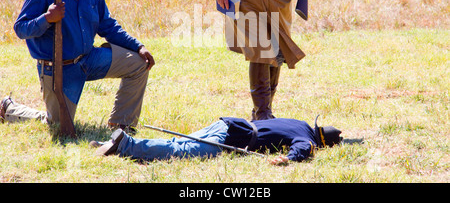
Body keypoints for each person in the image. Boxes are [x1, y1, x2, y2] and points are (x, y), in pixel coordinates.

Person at [1, 0, 155, 133]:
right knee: (58, 126)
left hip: (89, 59)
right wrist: (47, 18)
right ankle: (9, 109)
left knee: (138, 63)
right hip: (59, 70)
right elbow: (21, 29)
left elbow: (108, 26)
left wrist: (139, 47)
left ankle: (121, 125)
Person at [91, 115, 341, 165]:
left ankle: (108, 142)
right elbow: (304, 148)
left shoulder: (299, 123)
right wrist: (288, 158)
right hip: (234, 137)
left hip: (228, 123)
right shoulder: (306, 137)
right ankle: (124, 144)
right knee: (181, 151)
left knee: (179, 144)